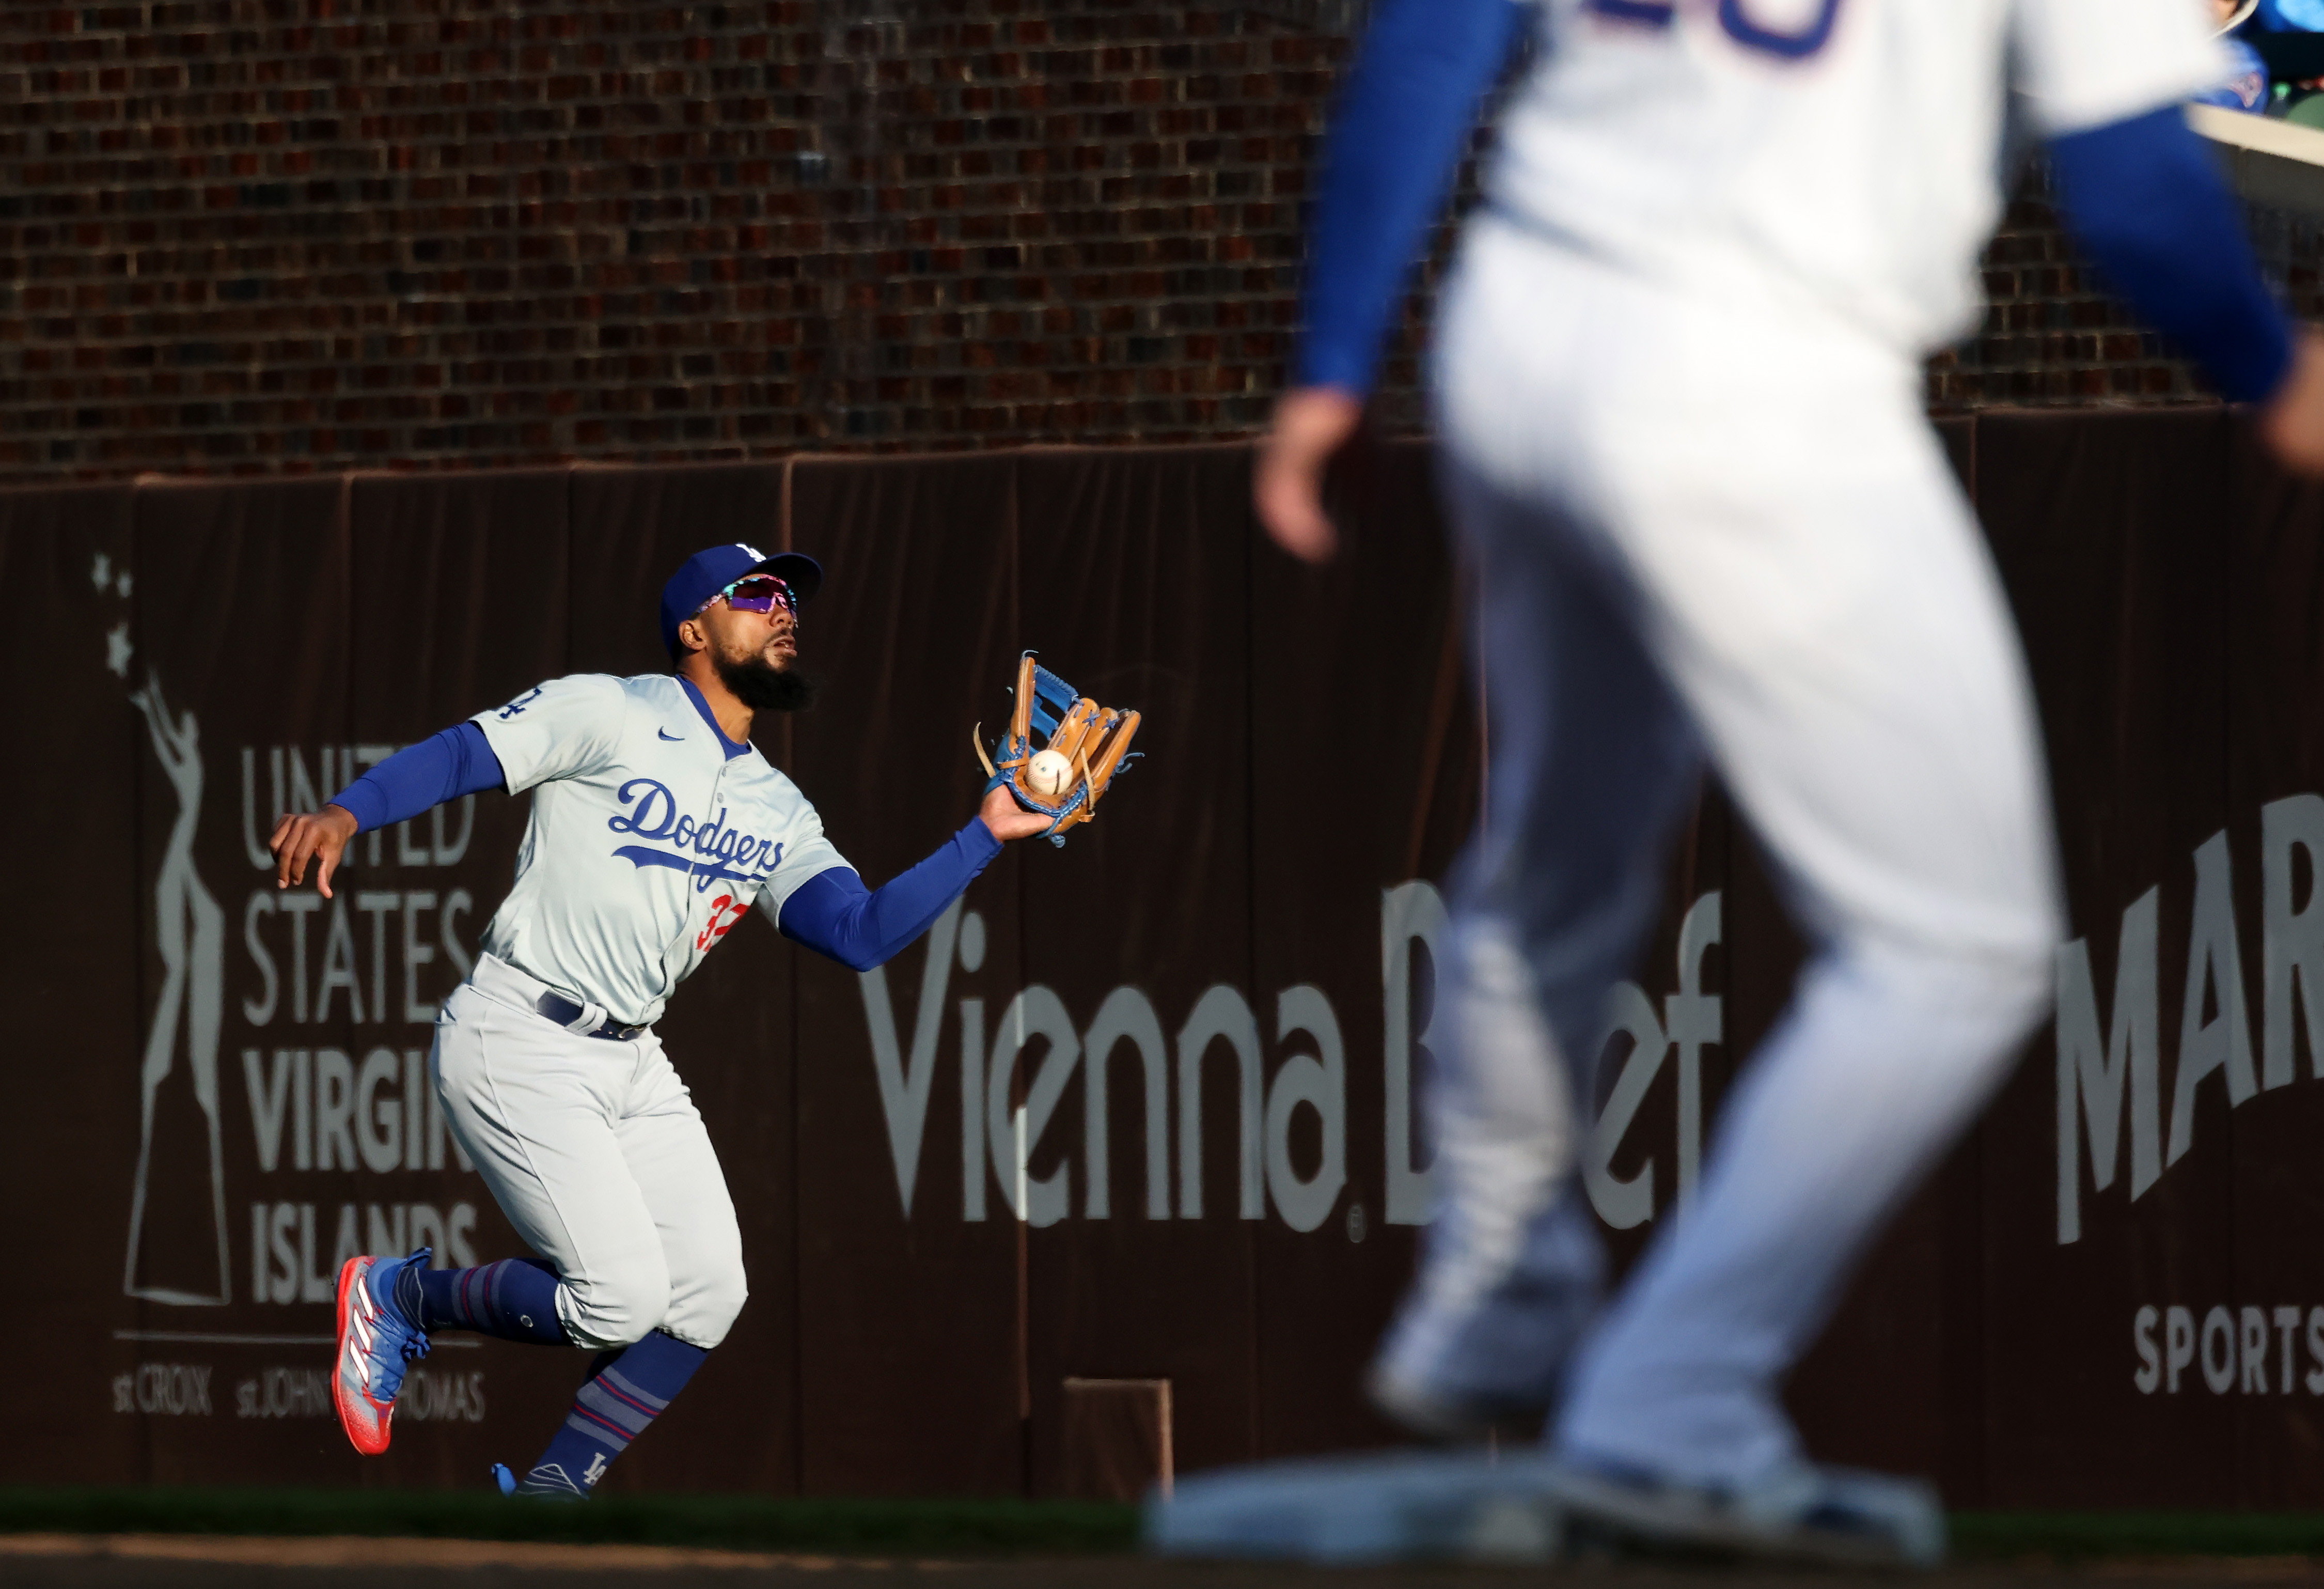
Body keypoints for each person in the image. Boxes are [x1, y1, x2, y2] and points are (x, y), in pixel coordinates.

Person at [1156, 0, 2324, 1566]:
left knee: (1554, 860)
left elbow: (1433, 36)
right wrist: (2267, 364)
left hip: (1520, 323)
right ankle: (1669, 1398)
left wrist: (1330, 361)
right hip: (1763, 379)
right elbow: (2124, 176)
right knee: (1952, 949)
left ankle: (1489, 1294)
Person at [270, 544, 1056, 1497]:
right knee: (617, 1299)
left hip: (629, 1057)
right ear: (694, 628)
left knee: (709, 1294)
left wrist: (985, 835)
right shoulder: (613, 709)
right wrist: (348, 815)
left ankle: (555, 1495)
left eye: (791, 600)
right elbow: (465, 754)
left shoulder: (777, 807)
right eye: (759, 594)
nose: (784, 612)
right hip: (519, 1029)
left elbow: (856, 933)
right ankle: (401, 1297)